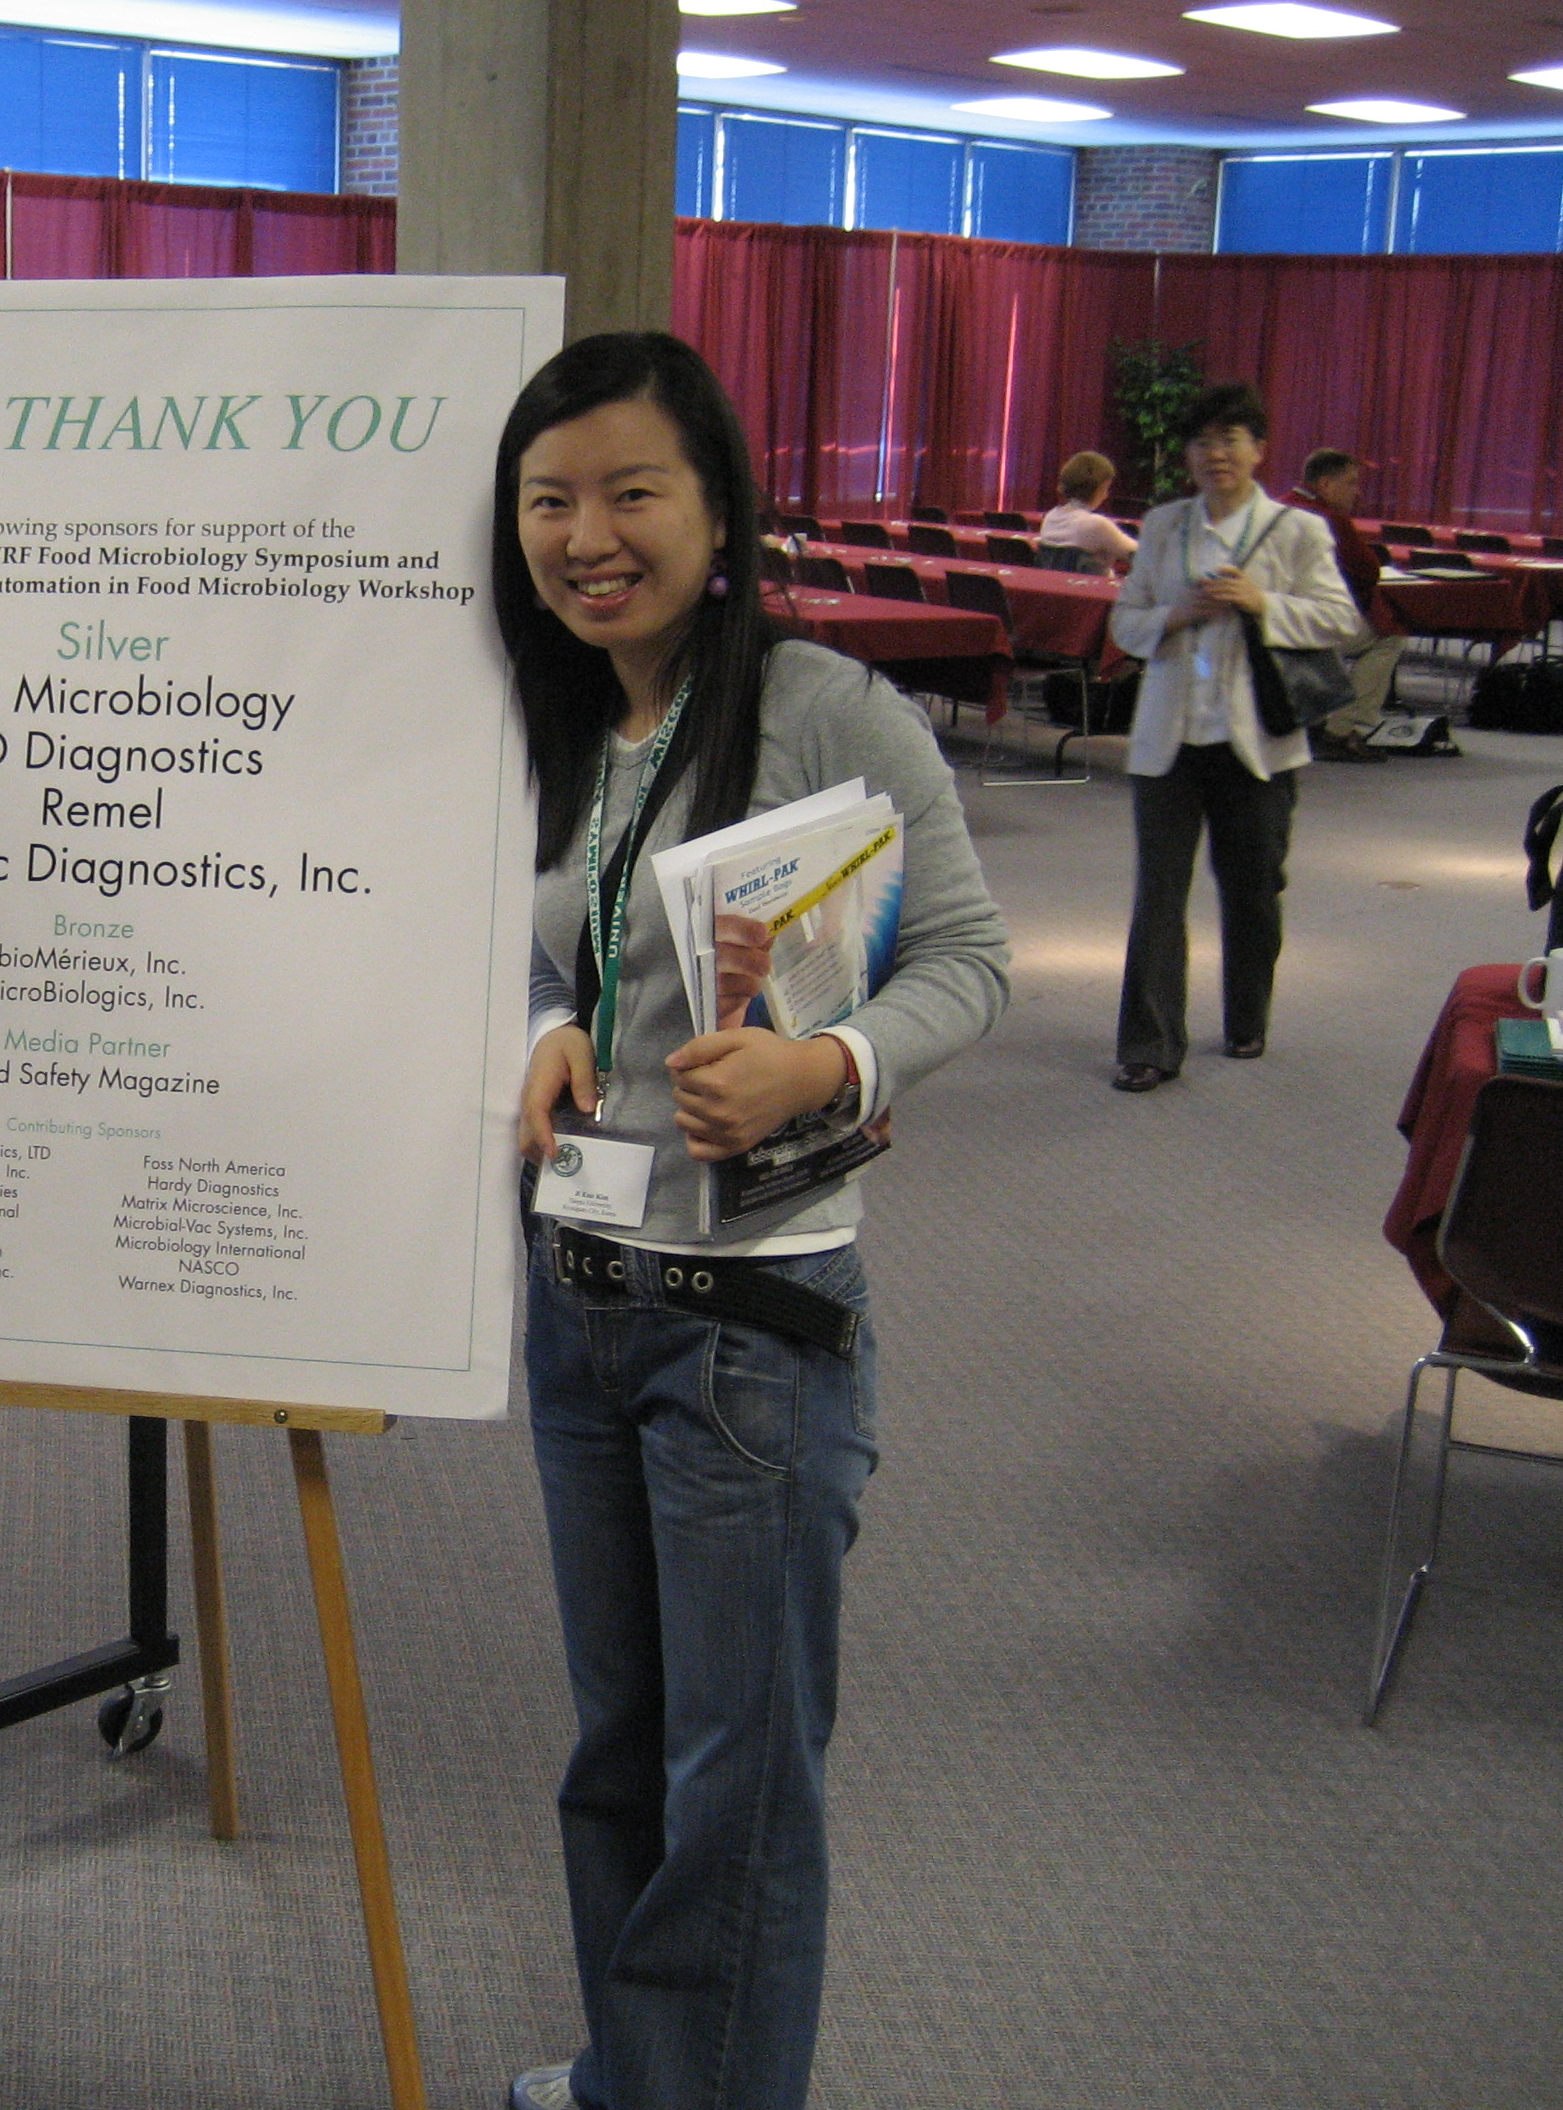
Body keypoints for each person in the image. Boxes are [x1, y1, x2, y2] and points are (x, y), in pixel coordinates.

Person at [498, 333, 1010, 2110]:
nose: (588, 536)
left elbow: (970, 960)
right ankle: (639, 2074)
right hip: (578, 1297)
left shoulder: (823, 708)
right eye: (550, 500)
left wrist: (827, 1065)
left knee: (741, 1783)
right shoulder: (560, 711)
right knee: (621, 1751)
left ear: (719, 508)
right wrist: (544, 1023)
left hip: (748, 1331)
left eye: (631, 492)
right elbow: (536, 941)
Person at [1108, 382, 1356, 1093]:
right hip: (1170, 740)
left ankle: (1247, 1016)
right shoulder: (1164, 526)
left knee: (1253, 891)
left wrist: (1262, 603)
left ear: (1259, 450)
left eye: (1230, 439)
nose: (1216, 454)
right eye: (1202, 442)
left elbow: (1340, 619)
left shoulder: (1296, 530)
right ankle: (1150, 1045)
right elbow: (1125, 622)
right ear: (1188, 454)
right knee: (1159, 895)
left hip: (1257, 745)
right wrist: (1176, 614)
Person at [1289, 447, 1408, 763]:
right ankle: (1343, 730)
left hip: (1273, 619)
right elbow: (1367, 571)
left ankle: (1316, 719)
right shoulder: (1330, 519)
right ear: (1325, 484)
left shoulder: (1279, 507)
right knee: (1389, 637)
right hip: (1309, 624)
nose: (1357, 492)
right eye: (1351, 483)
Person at [1038, 450, 1138, 570]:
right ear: (1098, 488)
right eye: (1106, 488)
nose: (1106, 496)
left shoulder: (1049, 517)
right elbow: (1138, 553)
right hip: (1090, 582)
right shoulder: (1096, 524)